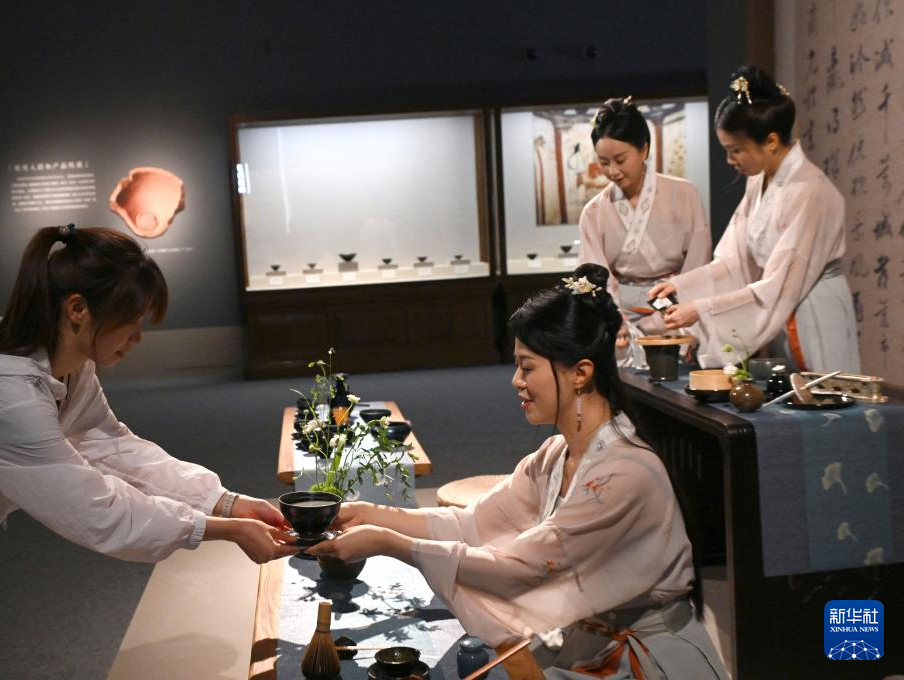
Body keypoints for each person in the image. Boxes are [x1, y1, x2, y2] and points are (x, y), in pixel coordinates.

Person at [0, 225, 299, 678]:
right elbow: (99, 511)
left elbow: (112, 445)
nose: (137, 338)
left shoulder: (67, 368)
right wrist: (224, 529)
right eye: (131, 321)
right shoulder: (6, 401)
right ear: (77, 309)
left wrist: (226, 502)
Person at [308, 264, 727, 679]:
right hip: (594, 642)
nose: (515, 381)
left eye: (527, 367)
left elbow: (520, 570)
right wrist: (372, 515)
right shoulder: (555, 454)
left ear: (580, 373)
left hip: (648, 660)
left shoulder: (624, 473)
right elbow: (472, 524)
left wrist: (388, 543)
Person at [649, 66, 861, 373]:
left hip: (813, 304)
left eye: (736, 150)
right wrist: (680, 287)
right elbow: (734, 260)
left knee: (824, 389)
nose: (729, 160)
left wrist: (702, 309)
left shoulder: (811, 191)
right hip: (782, 301)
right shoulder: (758, 180)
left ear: (771, 141)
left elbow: (778, 282)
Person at [579, 97, 711, 368]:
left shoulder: (685, 193)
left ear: (644, 149)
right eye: (604, 162)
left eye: (620, 160)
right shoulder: (593, 211)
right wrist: (614, 319)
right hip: (622, 315)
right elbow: (595, 275)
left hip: (675, 309)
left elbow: (698, 263)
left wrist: (681, 309)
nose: (612, 171)